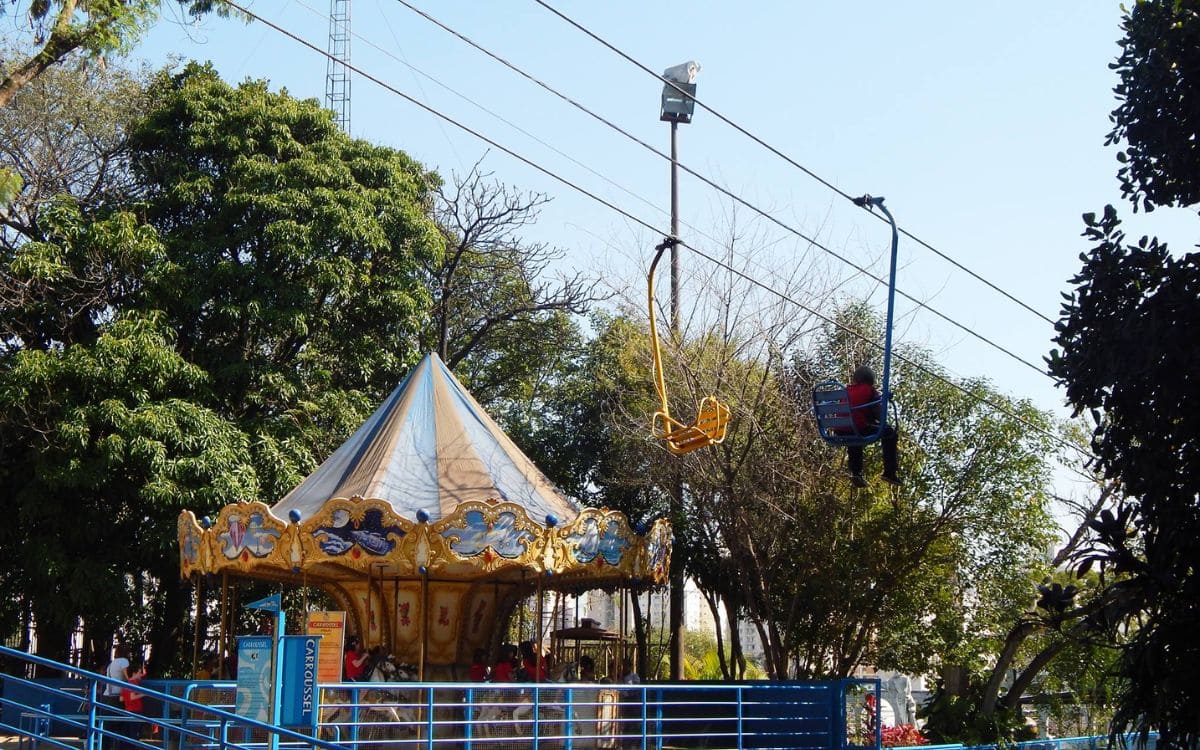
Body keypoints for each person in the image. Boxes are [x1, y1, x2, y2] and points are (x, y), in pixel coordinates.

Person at [845, 365, 900, 487]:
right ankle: (889, 472)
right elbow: (879, 415)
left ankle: (856, 472)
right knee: (890, 433)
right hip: (857, 427)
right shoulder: (870, 391)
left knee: (854, 439)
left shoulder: (846, 390)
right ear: (871, 380)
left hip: (841, 429)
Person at [120, 659, 153, 743]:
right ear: (134, 673)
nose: (140, 675)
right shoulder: (133, 683)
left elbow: (121, 699)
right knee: (135, 734)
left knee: (128, 734)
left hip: (127, 711)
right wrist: (144, 694)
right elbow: (132, 697)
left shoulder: (125, 684)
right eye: (139, 673)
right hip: (135, 711)